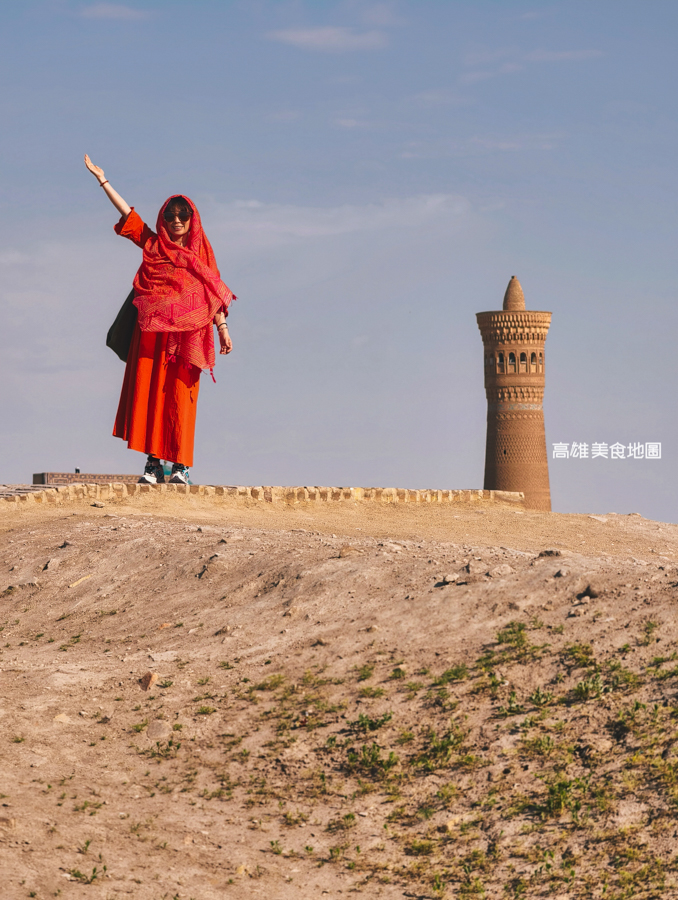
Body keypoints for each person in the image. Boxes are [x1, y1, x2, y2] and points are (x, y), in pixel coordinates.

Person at [84, 154, 234, 484]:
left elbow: (213, 294)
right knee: (150, 398)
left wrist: (222, 329)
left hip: (187, 339)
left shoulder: (201, 256)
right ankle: (153, 464)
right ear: (163, 219)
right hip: (151, 336)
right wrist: (103, 180)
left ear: (192, 219)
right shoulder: (154, 245)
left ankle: (180, 465)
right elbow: (128, 216)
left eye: (182, 215)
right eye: (170, 215)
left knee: (181, 399)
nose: (176, 220)